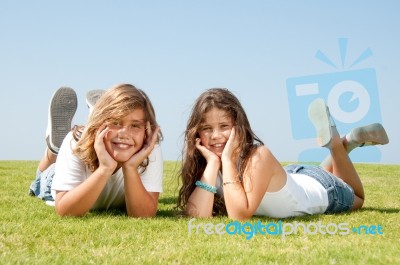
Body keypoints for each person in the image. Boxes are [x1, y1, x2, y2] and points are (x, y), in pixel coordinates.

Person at [177, 88, 389, 221]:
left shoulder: (259, 155)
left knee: (358, 198)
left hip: (324, 188)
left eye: (224, 126)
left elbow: (239, 215)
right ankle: (348, 142)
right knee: (311, 176)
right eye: (207, 128)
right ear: (197, 132)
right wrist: (213, 164)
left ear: (239, 127)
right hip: (292, 176)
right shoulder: (210, 163)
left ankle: (338, 144)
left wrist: (226, 160)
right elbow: (197, 216)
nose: (215, 136)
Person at [29, 84, 163, 217]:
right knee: (42, 179)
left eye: (135, 125)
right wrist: (105, 169)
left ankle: (55, 151)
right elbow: (65, 210)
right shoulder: (76, 143)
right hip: (56, 179)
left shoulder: (149, 149)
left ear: (146, 130)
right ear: (99, 123)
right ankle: (53, 152)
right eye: (115, 123)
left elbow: (144, 215)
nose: (124, 134)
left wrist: (131, 168)